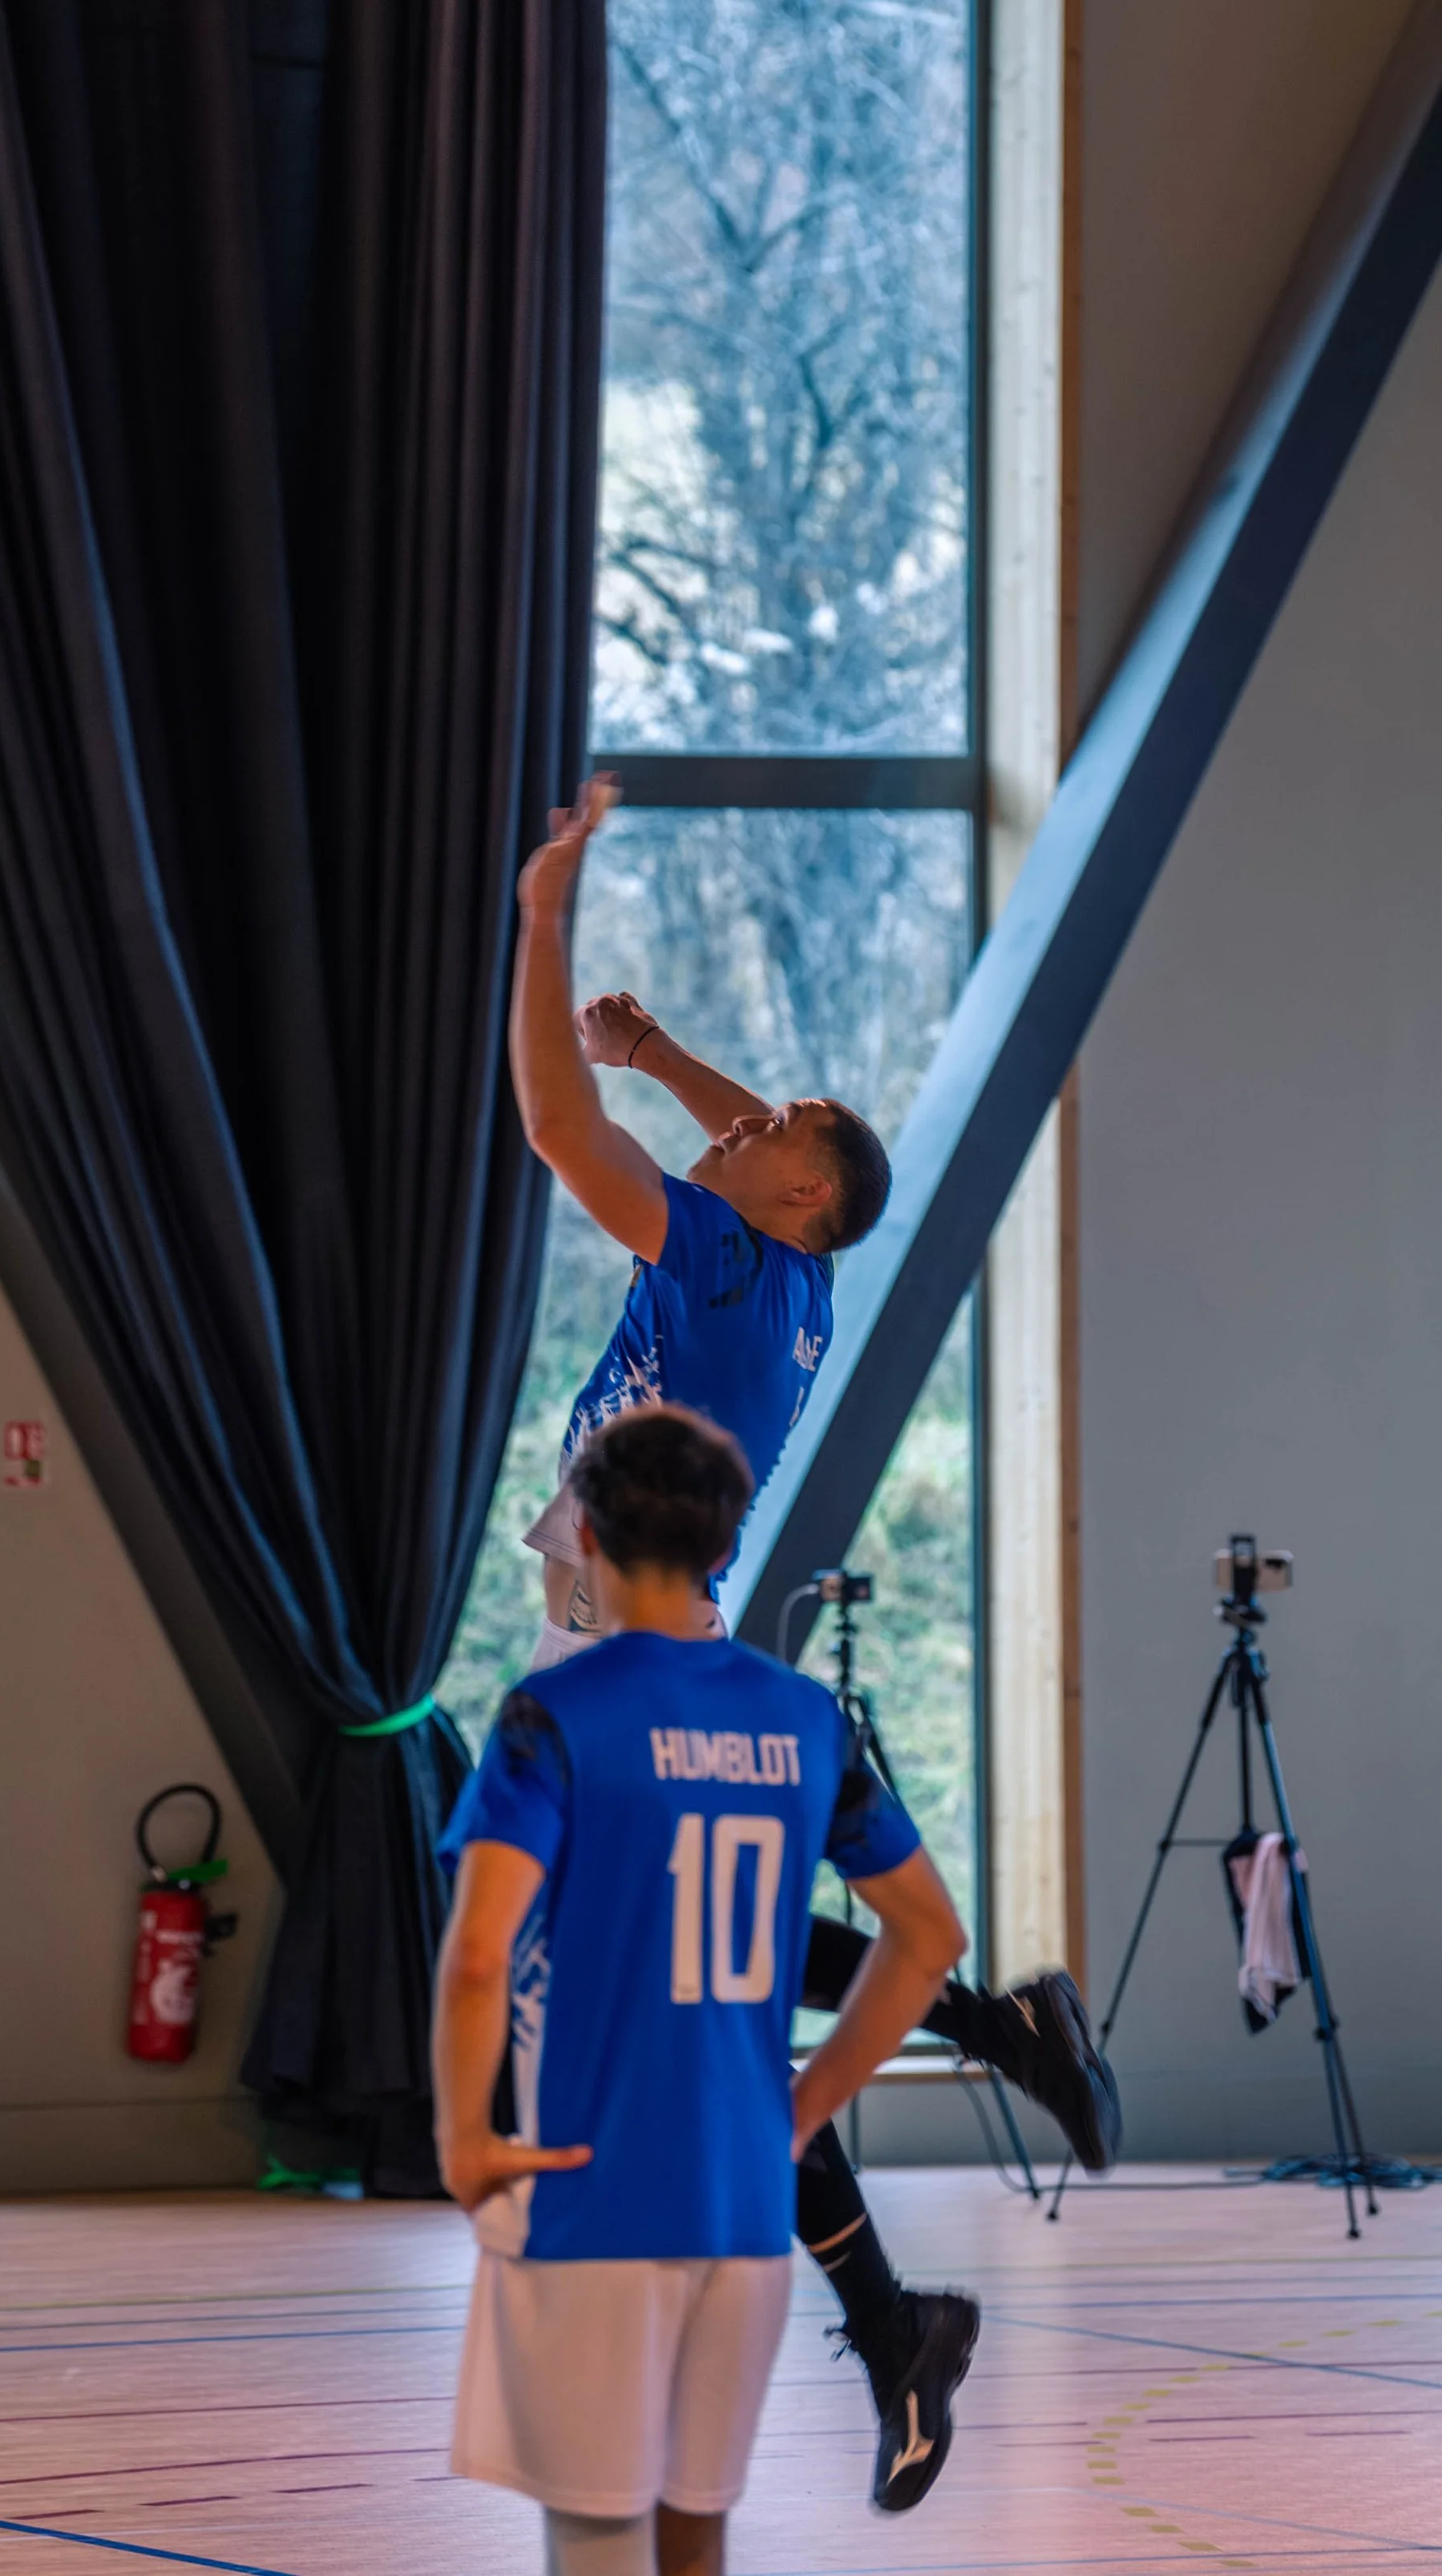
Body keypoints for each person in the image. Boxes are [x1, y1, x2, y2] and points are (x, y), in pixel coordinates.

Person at [505, 774, 1119, 2509]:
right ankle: (952, 2161)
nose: (730, 1130)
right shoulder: (795, 1275)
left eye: (756, 1141)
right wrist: (677, 1059)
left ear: (775, 1201)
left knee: (691, 2002)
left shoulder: (710, 1256)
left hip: (618, 1660)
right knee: (717, 1976)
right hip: (650, 1632)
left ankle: (934, 2189)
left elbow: (559, 1135)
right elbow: (796, 1146)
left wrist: (549, 947)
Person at [434, 1406, 972, 2574]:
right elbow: (928, 1938)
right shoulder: (805, 1722)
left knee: (595, 2539)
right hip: (739, 2206)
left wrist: (463, 2137)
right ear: (727, 1546)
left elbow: (478, 1955)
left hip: (590, 2195)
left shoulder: (550, 1720)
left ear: (582, 1528)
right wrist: (807, 2106)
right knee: (697, 2533)